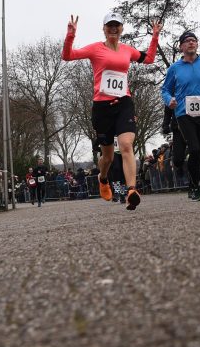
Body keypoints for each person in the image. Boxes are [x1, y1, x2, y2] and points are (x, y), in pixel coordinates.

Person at [61, 12, 161, 210]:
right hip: (102, 108)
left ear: (122, 28)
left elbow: (149, 59)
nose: (113, 29)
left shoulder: (127, 50)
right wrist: (70, 35)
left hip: (124, 102)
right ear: (104, 29)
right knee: (107, 157)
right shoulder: (95, 49)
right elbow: (67, 56)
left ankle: (132, 190)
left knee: (126, 146)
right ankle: (103, 178)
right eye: (110, 26)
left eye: (117, 26)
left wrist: (155, 36)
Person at [161, 31, 200, 202]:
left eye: (194, 40)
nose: (191, 43)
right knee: (194, 149)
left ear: (197, 44)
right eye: (187, 41)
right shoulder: (175, 68)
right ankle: (194, 187)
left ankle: (191, 176)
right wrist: (169, 100)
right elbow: (165, 90)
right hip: (184, 114)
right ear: (181, 46)